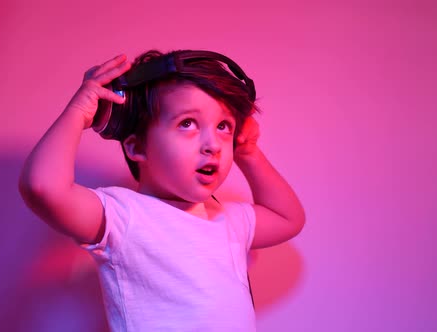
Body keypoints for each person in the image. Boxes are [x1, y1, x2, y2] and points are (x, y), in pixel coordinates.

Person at [18, 49, 306, 331]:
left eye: (223, 126)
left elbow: (288, 218)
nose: (213, 144)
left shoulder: (229, 221)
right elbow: (44, 187)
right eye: (188, 123)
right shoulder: (124, 216)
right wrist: (79, 113)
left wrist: (249, 152)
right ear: (138, 147)